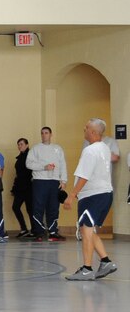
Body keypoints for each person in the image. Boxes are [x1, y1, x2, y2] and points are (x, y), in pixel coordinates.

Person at [63, 118, 118, 281]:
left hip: (92, 195)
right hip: (105, 194)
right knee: (88, 230)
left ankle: (86, 269)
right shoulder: (105, 149)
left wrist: (72, 196)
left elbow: (84, 176)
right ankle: (106, 261)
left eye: (86, 128)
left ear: (93, 132)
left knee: (86, 230)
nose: (84, 130)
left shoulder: (90, 150)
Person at [26, 126, 68, 241]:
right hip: (40, 182)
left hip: (54, 182)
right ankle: (39, 232)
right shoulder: (35, 149)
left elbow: (63, 165)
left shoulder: (58, 149)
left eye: (46, 133)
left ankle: (53, 232)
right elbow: (28, 164)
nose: (44, 135)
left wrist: (63, 181)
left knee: (53, 207)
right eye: (42, 133)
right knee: (38, 207)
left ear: (51, 134)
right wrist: (43, 167)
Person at [12, 138, 34, 239]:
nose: (19, 146)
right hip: (20, 187)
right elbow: (18, 174)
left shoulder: (30, 156)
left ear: (27, 145)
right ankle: (24, 228)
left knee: (30, 209)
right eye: (18, 144)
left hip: (29, 187)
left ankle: (34, 230)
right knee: (15, 207)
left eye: (21, 144)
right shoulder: (20, 157)